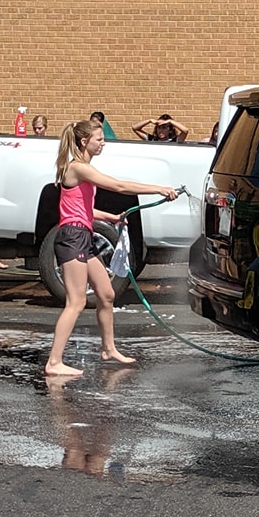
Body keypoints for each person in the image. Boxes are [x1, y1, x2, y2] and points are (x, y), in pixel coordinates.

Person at [44, 120, 182, 377]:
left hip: (84, 235)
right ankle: (54, 362)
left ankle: (108, 349)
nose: (103, 142)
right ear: (84, 142)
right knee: (76, 301)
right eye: (99, 139)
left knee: (106, 293)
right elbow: (118, 186)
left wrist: (111, 217)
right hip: (72, 237)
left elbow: (84, 210)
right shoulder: (77, 167)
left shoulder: (82, 170)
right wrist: (159, 188)